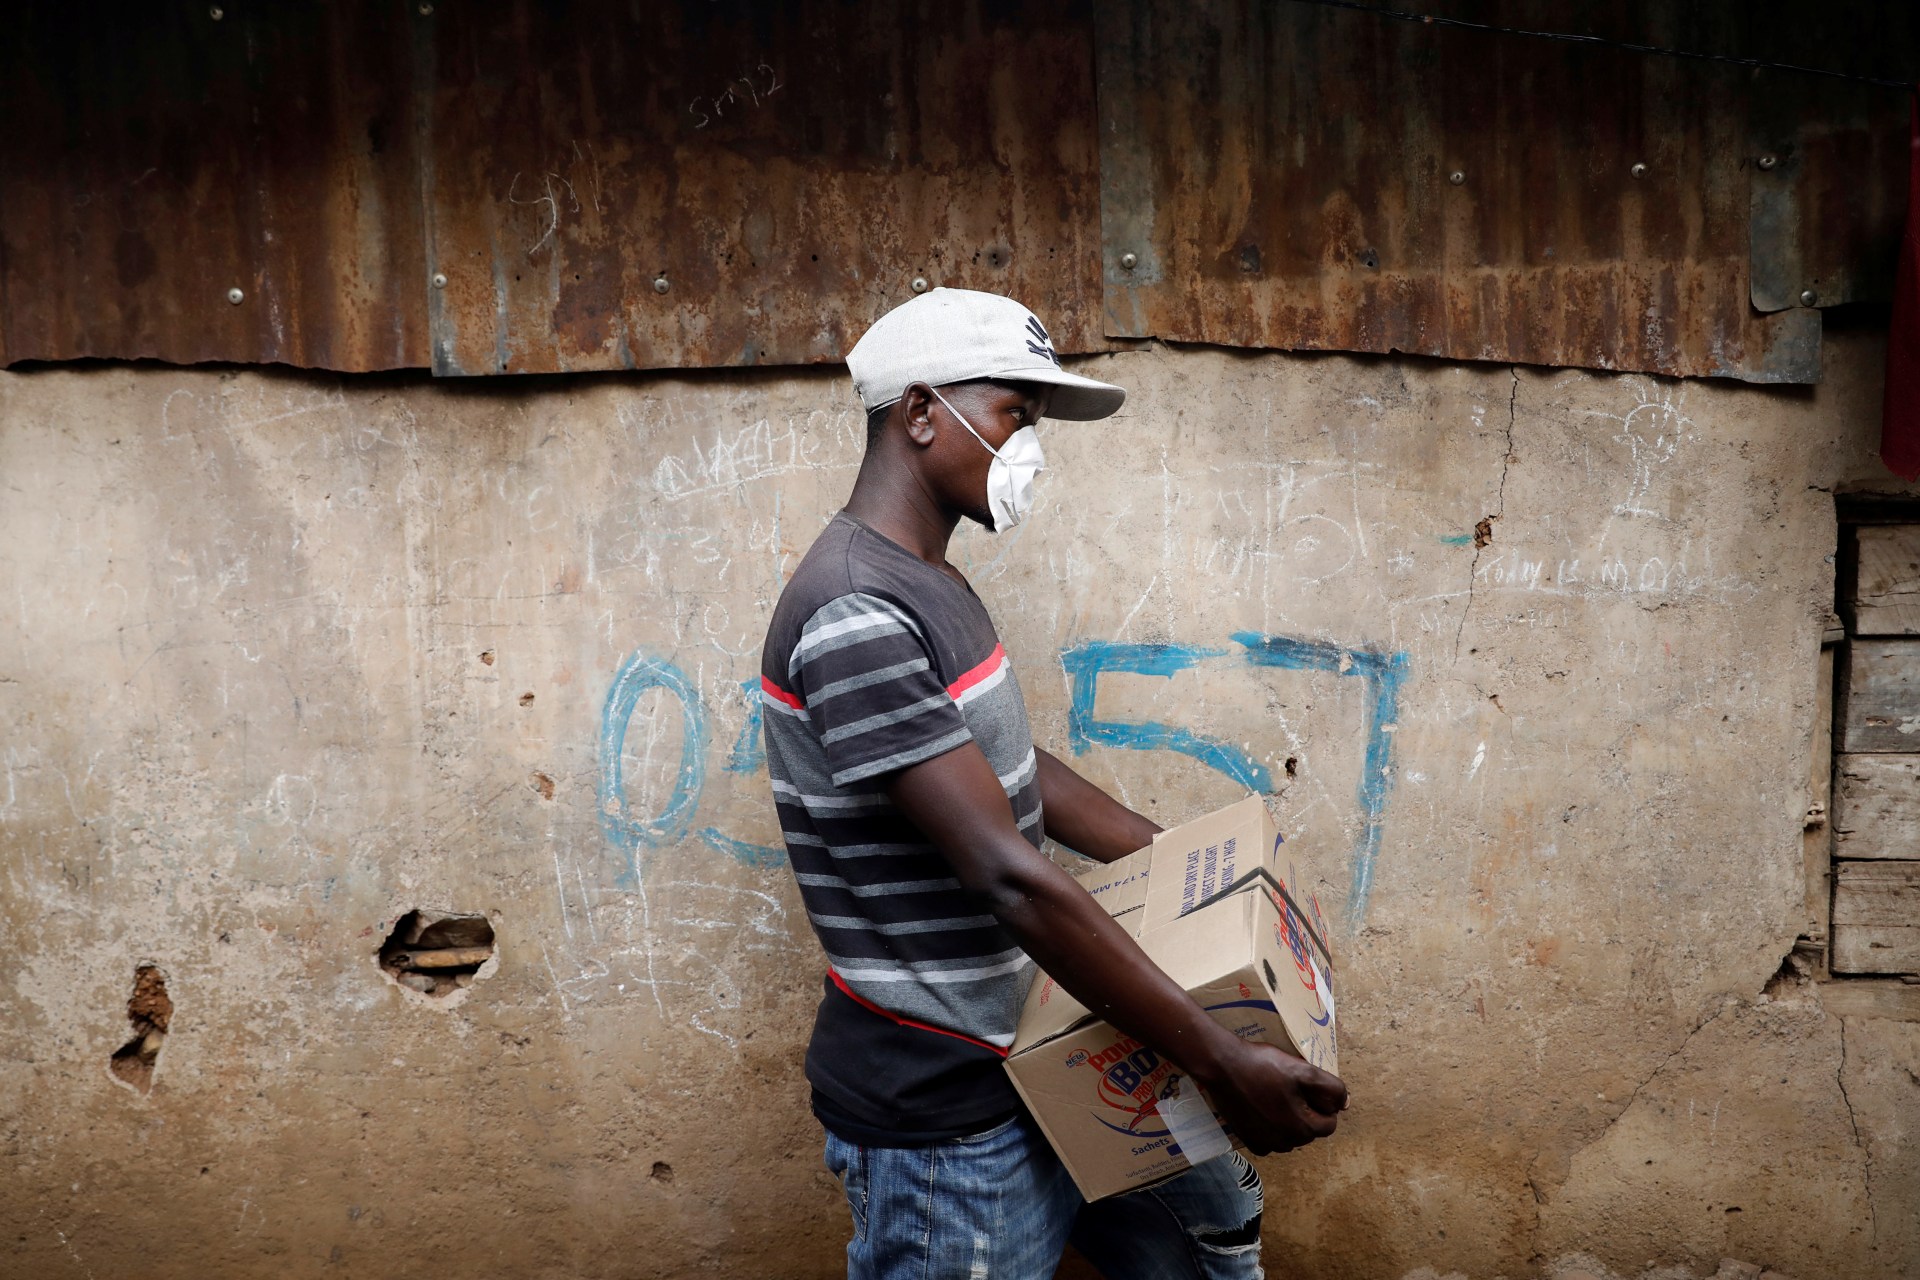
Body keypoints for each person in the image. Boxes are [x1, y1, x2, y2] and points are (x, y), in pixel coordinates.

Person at [758, 288, 1348, 1279]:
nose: (1027, 447)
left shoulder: (924, 576)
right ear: (918, 414)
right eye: (1012, 415)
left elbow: (1006, 766)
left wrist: (1191, 872)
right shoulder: (855, 612)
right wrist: (1214, 1053)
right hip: (948, 1111)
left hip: (1039, 1047)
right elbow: (1006, 872)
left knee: (1204, 1250)